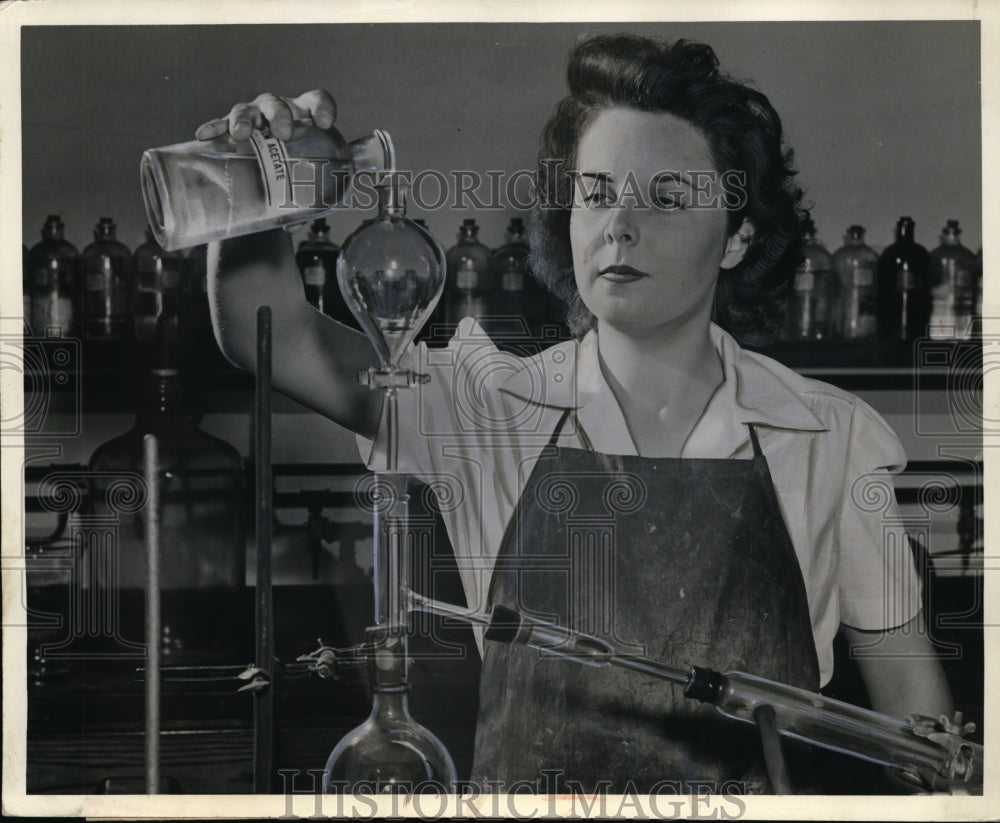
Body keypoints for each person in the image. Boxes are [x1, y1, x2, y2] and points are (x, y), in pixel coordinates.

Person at [201, 33, 953, 794]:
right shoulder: (484, 406)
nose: (619, 225)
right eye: (596, 192)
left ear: (738, 237)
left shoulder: (831, 435)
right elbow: (268, 332)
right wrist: (254, 185)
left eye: (666, 197)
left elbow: (920, 745)